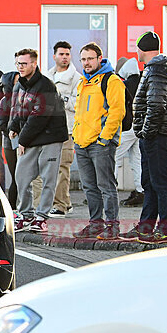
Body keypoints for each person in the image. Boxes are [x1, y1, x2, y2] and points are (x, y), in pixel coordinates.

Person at [121, 31, 167, 244]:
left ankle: (165, 231)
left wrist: (145, 133)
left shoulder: (156, 69)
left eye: (137, 48)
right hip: (157, 134)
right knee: (150, 182)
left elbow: (156, 106)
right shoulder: (155, 68)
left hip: (159, 135)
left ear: (141, 49)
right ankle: (146, 227)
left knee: (160, 183)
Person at [7, 48, 67, 232]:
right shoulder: (20, 84)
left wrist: (22, 139)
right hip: (30, 136)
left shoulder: (46, 85)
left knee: (48, 177)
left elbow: (39, 116)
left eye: (24, 63)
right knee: (21, 176)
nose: (21, 67)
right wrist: (13, 127)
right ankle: (25, 214)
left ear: (34, 63)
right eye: (18, 63)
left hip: (50, 137)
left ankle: (41, 217)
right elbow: (18, 109)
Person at [71, 43, 126, 240]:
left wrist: (105, 138)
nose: (86, 63)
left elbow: (117, 112)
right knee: (89, 187)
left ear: (99, 58)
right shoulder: (83, 82)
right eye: (83, 59)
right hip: (82, 142)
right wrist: (76, 137)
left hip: (100, 144)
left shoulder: (111, 80)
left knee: (106, 186)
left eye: (90, 59)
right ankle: (95, 224)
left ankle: (112, 226)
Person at [44, 41, 82, 219]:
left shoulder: (77, 78)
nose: (65, 57)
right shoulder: (47, 76)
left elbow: (78, 104)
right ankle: (65, 202)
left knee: (62, 167)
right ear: (54, 56)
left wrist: (61, 99)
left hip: (67, 129)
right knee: (50, 167)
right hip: (49, 129)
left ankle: (60, 206)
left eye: (67, 54)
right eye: (61, 54)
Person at [115, 57, 144, 207]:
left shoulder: (124, 84)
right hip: (140, 126)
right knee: (137, 160)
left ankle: (107, 191)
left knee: (114, 157)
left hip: (127, 126)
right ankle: (141, 190)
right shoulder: (143, 79)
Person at [0, 68, 20, 207]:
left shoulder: (23, 97)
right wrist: (12, 132)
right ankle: (12, 207)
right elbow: (1, 123)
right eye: (16, 81)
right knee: (15, 176)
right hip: (10, 142)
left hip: (24, 142)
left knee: (23, 176)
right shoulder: (5, 101)